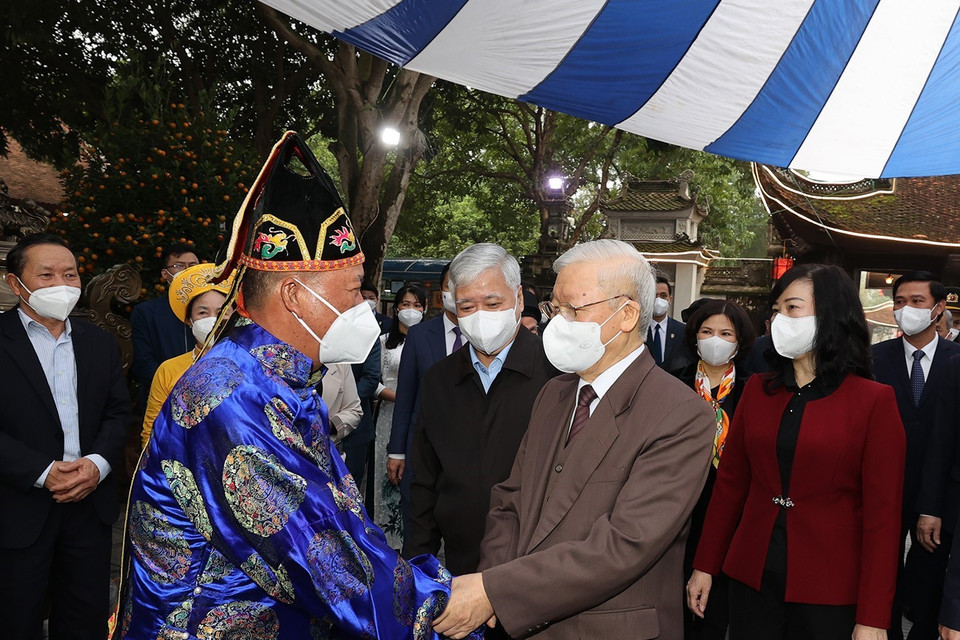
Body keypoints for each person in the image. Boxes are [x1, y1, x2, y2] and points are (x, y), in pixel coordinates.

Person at [119, 132, 477, 640]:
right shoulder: (235, 399)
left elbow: (338, 517)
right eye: (353, 292)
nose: (364, 310)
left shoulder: (278, 377)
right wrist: (445, 607)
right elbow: (323, 558)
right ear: (292, 294)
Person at [432, 239, 715, 640]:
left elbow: (624, 544)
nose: (557, 321)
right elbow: (510, 500)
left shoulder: (680, 414)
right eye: (555, 308)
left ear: (627, 314)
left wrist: (496, 591)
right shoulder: (556, 393)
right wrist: (491, 583)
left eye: (573, 309)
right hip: (522, 622)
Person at [688, 263, 905, 640]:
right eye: (776, 310)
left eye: (792, 308)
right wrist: (705, 565)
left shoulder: (873, 402)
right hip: (753, 575)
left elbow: (883, 520)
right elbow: (731, 487)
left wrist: (874, 616)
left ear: (831, 314)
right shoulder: (758, 389)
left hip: (829, 587)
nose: (778, 319)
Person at [0, 233, 131, 640]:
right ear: (14, 284)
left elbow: (118, 412)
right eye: (46, 275)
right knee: (13, 617)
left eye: (70, 274)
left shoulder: (100, 343)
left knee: (84, 619)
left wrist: (97, 465)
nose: (61, 284)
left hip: (88, 507)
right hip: (16, 507)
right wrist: (41, 471)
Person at [405, 243, 558, 577]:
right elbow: (424, 481)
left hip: (537, 567)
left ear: (518, 299)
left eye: (493, 303)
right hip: (460, 562)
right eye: (467, 306)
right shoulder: (439, 380)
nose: (480, 315)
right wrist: (418, 567)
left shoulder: (556, 375)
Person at [873, 270, 960, 640]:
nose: (906, 309)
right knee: (881, 574)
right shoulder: (873, 358)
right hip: (884, 487)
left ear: (938, 309)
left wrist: (932, 505)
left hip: (938, 494)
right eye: (899, 302)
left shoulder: (957, 361)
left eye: (917, 302)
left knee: (927, 579)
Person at [677, 299, 755, 640]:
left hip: (733, 514)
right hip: (679, 511)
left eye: (726, 333)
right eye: (707, 331)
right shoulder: (672, 382)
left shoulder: (756, 390)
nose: (715, 339)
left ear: (740, 341)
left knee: (718, 609)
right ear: (695, 336)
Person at [387, 263, 462, 535]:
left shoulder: (484, 337)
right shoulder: (420, 335)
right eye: (449, 286)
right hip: (421, 451)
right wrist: (397, 451)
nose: (455, 292)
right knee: (418, 536)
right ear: (441, 292)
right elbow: (406, 396)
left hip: (467, 457)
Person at [140, 263, 232, 447]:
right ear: (189, 321)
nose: (213, 320)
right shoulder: (169, 370)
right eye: (203, 312)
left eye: (222, 312)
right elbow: (151, 433)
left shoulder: (253, 365)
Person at [374, 284, 427, 547]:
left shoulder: (429, 343)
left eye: (417, 305)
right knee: (386, 476)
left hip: (420, 417)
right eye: (406, 304)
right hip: (388, 415)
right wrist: (402, 396)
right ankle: (384, 540)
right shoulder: (384, 342)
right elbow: (374, 381)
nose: (411, 310)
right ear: (396, 309)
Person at [130, 243, 198, 408]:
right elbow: (143, 361)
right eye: (179, 266)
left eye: (193, 266)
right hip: (162, 400)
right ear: (165, 274)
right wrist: (176, 387)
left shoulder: (216, 309)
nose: (187, 271)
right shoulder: (146, 312)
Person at [340, 338, 382, 486]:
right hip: (315, 422)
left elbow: (371, 378)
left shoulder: (366, 336)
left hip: (355, 430)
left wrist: (344, 401)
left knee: (350, 488)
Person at [645, 275, 694, 374]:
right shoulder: (638, 331)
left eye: (663, 296)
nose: (658, 300)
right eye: (654, 295)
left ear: (670, 300)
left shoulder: (682, 331)